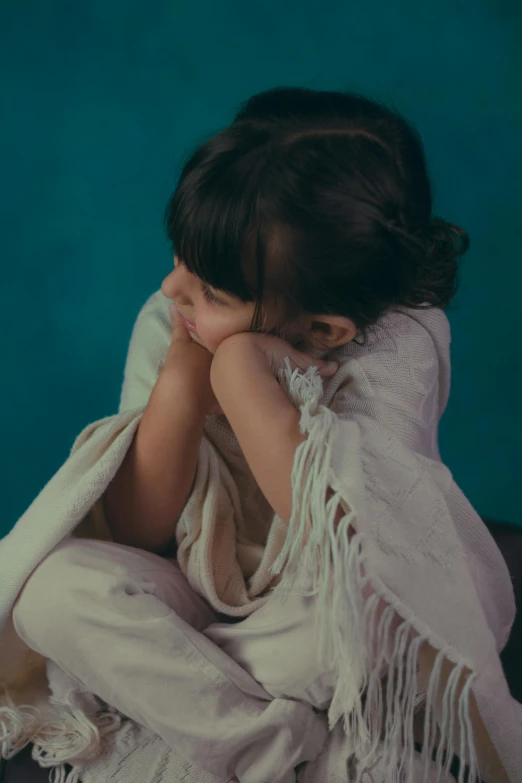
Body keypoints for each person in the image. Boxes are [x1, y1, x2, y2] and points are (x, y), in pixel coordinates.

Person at [6, 87, 519, 783]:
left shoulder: (400, 341)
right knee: (52, 590)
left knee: (341, 639)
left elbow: (341, 539)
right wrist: (186, 382)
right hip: (192, 603)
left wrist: (244, 376)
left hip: (313, 611)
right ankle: (294, 755)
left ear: (323, 328)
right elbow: (135, 527)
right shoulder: (175, 320)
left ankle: (212, 731)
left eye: (213, 291)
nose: (172, 287)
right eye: (179, 259)